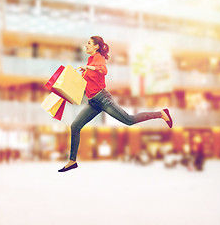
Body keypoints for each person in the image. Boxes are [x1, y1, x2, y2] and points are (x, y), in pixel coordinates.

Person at [58, 36, 173, 172]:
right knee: (75, 126)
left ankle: (161, 114)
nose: (86, 46)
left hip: (103, 99)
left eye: (89, 43)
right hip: (93, 102)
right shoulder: (90, 60)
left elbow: (103, 70)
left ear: (96, 47)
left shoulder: (98, 58)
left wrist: (88, 67)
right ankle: (72, 161)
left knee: (129, 120)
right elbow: (91, 80)